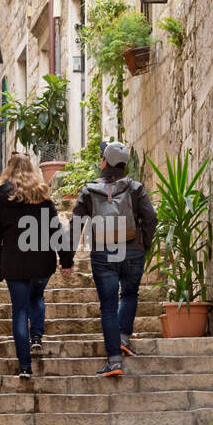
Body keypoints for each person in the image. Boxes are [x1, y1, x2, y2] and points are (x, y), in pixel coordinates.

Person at [71, 140, 157, 377]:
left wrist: (67, 257)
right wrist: (144, 245)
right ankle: (123, 338)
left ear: (104, 162)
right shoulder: (136, 188)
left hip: (103, 254)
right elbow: (150, 219)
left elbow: (76, 225)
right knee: (129, 294)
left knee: (108, 307)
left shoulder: (89, 190)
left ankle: (114, 362)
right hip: (133, 252)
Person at [0, 153, 74, 378]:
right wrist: (66, 260)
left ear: (8, 169)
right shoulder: (42, 194)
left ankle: (25, 366)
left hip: (14, 263)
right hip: (41, 261)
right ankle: (36, 336)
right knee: (36, 296)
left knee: (19, 310)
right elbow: (56, 229)